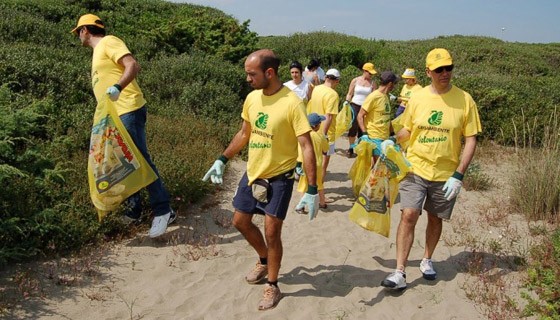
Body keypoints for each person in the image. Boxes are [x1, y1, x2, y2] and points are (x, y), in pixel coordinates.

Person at [202, 49, 319, 310]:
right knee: (240, 221)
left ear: (269, 73)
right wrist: (223, 158)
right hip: (253, 172)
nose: (247, 79)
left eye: (251, 74)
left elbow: (307, 146)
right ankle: (264, 260)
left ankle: (273, 285)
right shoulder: (252, 98)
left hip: (280, 177)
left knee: (272, 231)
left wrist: (312, 188)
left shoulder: (292, 103)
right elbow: (245, 133)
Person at [380, 48, 482, 290]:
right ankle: (400, 272)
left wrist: (459, 174)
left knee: (435, 218)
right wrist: (393, 141)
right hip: (415, 167)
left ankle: (427, 259)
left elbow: (471, 139)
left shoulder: (465, 100)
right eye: (439, 70)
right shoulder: (418, 98)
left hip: (446, 174)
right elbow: (408, 130)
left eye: (449, 68)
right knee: (409, 214)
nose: (445, 73)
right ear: (428, 72)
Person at [72, 14, 175, 238]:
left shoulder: (109, 42)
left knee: (138, 159)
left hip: (128, 109)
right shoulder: (97, 53)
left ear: (84, 31)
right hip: (114, 117)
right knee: (125, 162)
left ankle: (163, 209)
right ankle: (134, 210)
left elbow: (132, 65)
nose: (78, 37)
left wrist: (118, 87)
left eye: (78, 32)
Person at [306, 68, 341, 181]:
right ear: (337, 81)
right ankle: (319, 190)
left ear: (326, 77)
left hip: (312, 128)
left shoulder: (316, 89)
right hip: (326, 132)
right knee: (323, 163)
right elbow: (329, 116)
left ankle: (310, 186)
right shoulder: (333, 95)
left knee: (312, 160)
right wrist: (324, 135)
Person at [356, 71, 399, 162]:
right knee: (379, 166)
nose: (394, 86)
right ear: (390, 84)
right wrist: (364, 134)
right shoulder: (374, 97)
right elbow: (360, 115)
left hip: (385, 137)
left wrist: (392, 134)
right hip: (375, 137)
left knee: (379, 169)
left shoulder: (385, 96)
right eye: (394, 84)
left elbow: (387, 117)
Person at [295, 113, 330, 214]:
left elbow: (300, 153)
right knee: (319, 184)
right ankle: (322, 203)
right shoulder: (320, 136)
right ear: (316, 126)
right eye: (319, 123)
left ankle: (301, 207)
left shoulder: (303, 136)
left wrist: (298, 165)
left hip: (305, 164)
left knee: (303, 186)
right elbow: (326, 150)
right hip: (318, 165)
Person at [344, 62, 378, 157]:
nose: (370, 75)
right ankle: (351, 148)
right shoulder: (355, 80)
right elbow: (350, 93)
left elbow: (375, 97)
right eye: (369, 73)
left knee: (362, 128)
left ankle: (360, 149)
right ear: (364, 71)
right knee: (353, 126)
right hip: (354, 105)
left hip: (365, 108)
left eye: (372, 73)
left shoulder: (373, 83)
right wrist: (347, 101)